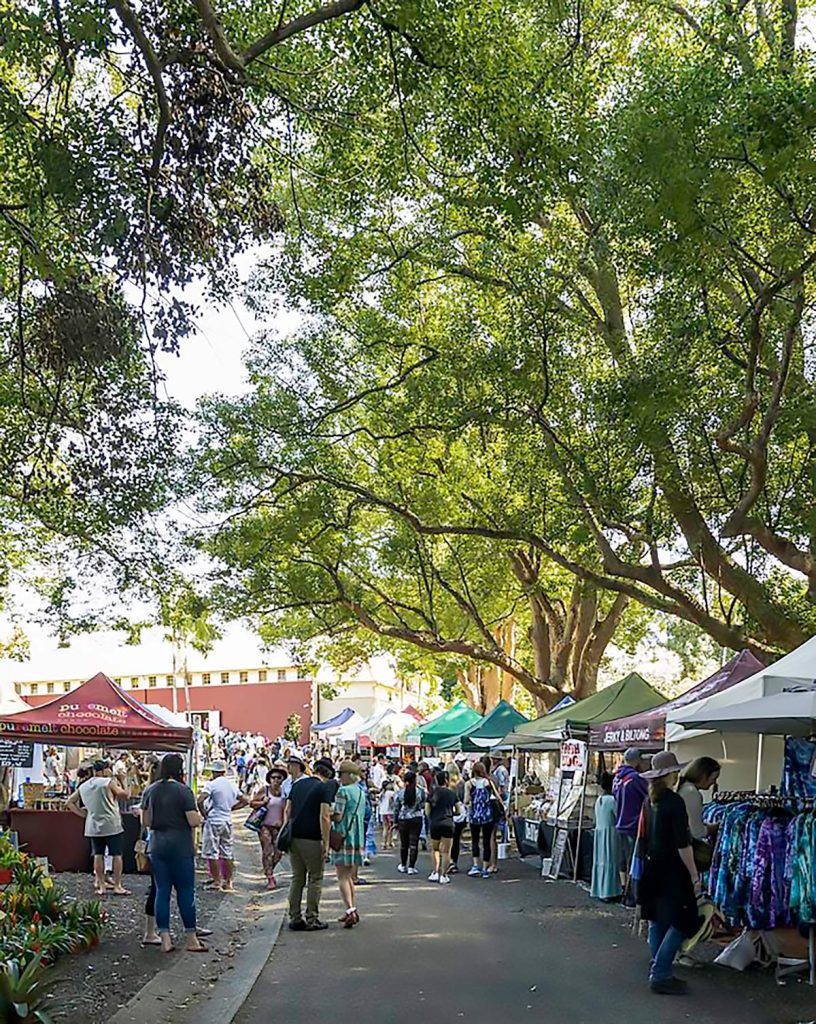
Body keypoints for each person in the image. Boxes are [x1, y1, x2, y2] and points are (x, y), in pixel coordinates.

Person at [636, 750, 701, 996]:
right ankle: (661, 971)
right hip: (673, 870)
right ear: (670, 774)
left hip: (652, 867)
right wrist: (694, 875)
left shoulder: (649, 801)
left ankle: (660, 970)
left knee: (657, 920)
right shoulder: (674, 801)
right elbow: (683, 843)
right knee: (684, 920)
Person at [141, 753, 208, 953]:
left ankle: (165, 939)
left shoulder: (150, 790)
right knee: (185, 890)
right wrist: (200, 817)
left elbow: (146, 821)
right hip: (180, 845)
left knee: (162, 891)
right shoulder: (183, 791)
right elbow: (193, 820)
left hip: (157, 844)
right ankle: (191, 939)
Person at [64, 759, 130, 896]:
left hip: (93, 825)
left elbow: (69, 802)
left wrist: (84, 814)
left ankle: (101, 885)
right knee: (116, 854)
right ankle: (117, 885)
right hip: (112, 824)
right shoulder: (108, 782)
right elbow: (125, 795)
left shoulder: (84, 786)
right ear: (104, 770)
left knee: (98, 854)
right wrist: (123, 780)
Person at [284, 756, 333, 931]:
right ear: (328, 775)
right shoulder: (323, 788)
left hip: (294, 836)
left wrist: (286, 830)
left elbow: (287, 810)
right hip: (312, 837)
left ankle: (294, 917)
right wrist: (326, 843)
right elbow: (324, 816)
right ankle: (312, 917)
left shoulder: (297, 785)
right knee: (315, 877)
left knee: (297, 878)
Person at [197, 761, 248, 892]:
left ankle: (216, 881)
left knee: (212, 852)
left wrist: (204, 814)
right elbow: (245, 800)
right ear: (224, 772)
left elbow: (200, 800)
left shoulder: (212, 784)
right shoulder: (231, 785)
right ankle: (228, 881)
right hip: (227, 820)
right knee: (227, 851)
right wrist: (231, 808)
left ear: (213, 772)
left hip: (214, 820)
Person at [331, 761, 367, 928]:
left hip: (343, 835)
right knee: (350, 876)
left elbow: (338, 816)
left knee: (342, 876)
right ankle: (351, 908)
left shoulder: (343, 791)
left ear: (348, 775)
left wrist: (328, 812)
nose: (340, 777)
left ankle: (350, 910)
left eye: (341, 774)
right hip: (357, 835)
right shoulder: (360, 792)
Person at [613, 747, 648, 890]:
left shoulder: (617, 778)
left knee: (623, 858)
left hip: (620, 823)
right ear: (638, 761)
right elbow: (650, 796)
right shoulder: (636, 778)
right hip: (634, 825)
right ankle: (632, 892)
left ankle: (624, 888)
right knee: (634, 860)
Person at [678, 757, 721, 872]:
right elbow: (697, 832)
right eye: (713, 778)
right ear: (703, 775)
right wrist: (716, 827)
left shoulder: (684, 788)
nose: (714, 783)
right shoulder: (691, 793)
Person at [250, 765, 287, 890]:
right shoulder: (264, 790)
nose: (276, 780)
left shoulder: (285, 792)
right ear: (269, 779)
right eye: (273, 777)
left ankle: (268, 869)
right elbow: (252, 803)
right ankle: (270, 877)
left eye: (279, 778)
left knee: (278, 853)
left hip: (279, 827)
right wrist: (262, 802)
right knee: (267, 851)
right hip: (265, 826)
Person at [426, 770, 462, 884]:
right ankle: (444, 875)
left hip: (435, 823)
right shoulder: (452, 794)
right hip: (448, 822)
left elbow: (427, 811)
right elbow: (459, 810)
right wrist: (452, 813)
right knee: (446, 851)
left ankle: (435, 872)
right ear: (447, 780)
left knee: (435, 849)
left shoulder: (432, 793)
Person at [465, 761, 500, 878]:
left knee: (475, 841)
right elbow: (497, 796)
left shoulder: (469, 783)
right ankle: (485, 868)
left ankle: (475, 865)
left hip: (474, 815)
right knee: (486, 841)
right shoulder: (488, 782)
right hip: (487, 815)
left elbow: (466, 800)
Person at [590, 772, 622, 901]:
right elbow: (618, 816)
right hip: (611, 833)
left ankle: (600, 890)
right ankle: (611, 891)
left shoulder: (599, 800)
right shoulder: (612, 801)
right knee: (611, 860)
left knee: (601, 861)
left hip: (600, 833)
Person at [393, 770, 424, 875]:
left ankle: (403, 865)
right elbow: (423, 804)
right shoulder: (420, 791)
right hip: (416, 818)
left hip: (403, 818)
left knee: (404, 843)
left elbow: (396, 808)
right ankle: (411, 866)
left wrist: (395, 821)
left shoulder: (400, 792)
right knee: (414, 843)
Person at [447, 769, 467, 875]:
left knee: (447, 841)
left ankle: (448, 862)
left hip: (448, 815)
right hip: (460, 815)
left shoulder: (446, 786)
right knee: (456, 841)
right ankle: (454, 861)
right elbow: (464, 799)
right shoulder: (462, 784)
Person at [379, 781, 395, 849]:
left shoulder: (382, 793)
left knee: (385, 828)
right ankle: (390, 842)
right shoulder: (391, 793)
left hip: (383, 812)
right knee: (391, 828)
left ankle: (384, 843)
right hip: (390, 812)